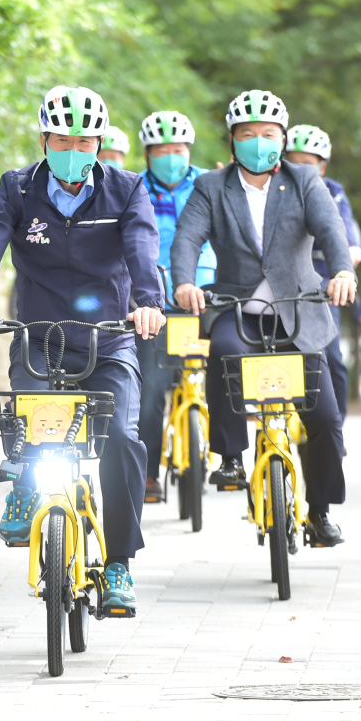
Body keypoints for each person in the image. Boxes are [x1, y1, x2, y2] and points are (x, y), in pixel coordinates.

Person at [0, 85, 165, 617]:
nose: (74, 149)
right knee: (28, 427)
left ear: (100, 142)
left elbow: (142, 246)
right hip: (39, 339)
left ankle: (118, 563)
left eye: (85, 140)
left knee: (121, 438)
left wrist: (148, 302)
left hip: (109, 338)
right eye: (63, 139)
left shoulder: (127, 189)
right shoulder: (19, 188)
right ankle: (25, 486)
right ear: (43, 139)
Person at [170, 89, 358, 547]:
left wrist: (342, 272)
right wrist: (184, 282)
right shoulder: (211, 188)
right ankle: (230, 456)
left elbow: (332, 230)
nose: (259, 142)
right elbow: (188, 238)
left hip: (300, 310)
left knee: (326, 419)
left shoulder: (303, 180)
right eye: (248, 134)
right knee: (225, 353)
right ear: (232, 141)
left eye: (269, 134)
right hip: (239, 307)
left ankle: (320, 510)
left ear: (282, 137)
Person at [134, 110, 217, 502]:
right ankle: (149, 474)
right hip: (155, 304)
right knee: (150, 389)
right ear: (148, 154)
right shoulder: (132, 189)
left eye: (178, 148)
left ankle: (227, 455)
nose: (171, 156)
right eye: (162, 150)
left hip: (208, 297)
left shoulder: (210, 184)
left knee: (222, 375)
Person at [284, 125, 361, 418]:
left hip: (322, 284)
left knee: (332, 358)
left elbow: (343, 230)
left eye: (308, 163)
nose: (300, 169)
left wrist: (350, 253)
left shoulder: (332, 192)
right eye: (294, 161)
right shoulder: (270, 188)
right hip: (279, 283)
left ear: (322, 166)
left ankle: (336, 430)